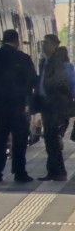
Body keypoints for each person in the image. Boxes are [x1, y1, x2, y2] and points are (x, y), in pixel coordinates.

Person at [0, 28, 38, 183]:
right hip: (19, 106)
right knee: (19, 141)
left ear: (3, 39)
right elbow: (33, 80)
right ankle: (19, 173)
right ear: (16, 40)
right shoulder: (23, 58)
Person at [37, 34, 73, 181]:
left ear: (53, 45)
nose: (43, 45)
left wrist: (53, 100)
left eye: (45, 42)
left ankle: (59, 172)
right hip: (46, 106)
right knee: (50, 140)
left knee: (53, 141)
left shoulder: (56, 62)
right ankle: (53, 171)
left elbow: (61, 84)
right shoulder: (45, 61)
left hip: (54, 107)